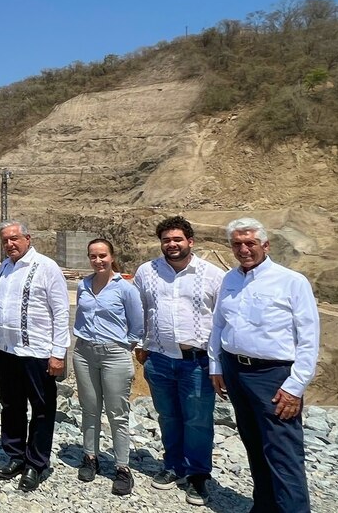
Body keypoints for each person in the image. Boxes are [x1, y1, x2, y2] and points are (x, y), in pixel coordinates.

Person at [209, 217, 319, 512]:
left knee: (283, 453)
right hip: (235, 370)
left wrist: (295, 387)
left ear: (265, 245)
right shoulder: (229, 280)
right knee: (255, 447)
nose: (243, 249)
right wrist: (216, 367)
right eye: (237, 244)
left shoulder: (291, 282)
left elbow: (308, 339)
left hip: (273, 376)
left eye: (250, 243)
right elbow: (219, 324)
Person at [133, 216, 225, 506]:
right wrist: (139, 343)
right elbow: (138, 310)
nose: (171, 245)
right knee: (168, 416)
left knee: (198, 420)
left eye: (177, 239)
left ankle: (198, 476)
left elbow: (223, 320)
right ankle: (173, 466)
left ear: (190, 241)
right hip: (159, 359)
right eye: (166, 240)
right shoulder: (146, 272)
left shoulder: (212, 274)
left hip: (197, 362)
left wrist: (218, 362)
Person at [0, 220, 70, 493]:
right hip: (8, 351)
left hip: (38, 353)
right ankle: (15, 455)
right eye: (5, 240)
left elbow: (60, 311)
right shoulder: (4, 268)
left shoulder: (46, 267)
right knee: (11, 406)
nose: (9, 244)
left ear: (27, 239)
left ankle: (36, 463)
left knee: (42, 410)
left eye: (14, 239)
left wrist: (58, 353)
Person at [72, 238, 144, 496]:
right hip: (83, 352)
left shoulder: (125, 289)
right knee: (89, 408)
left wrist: (124, 348)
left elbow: (137, 325)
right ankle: (90, 457)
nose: (98, 260)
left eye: (102, 255)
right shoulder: (83, 285)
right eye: (93, 256)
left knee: (117, 413)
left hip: (114, 353)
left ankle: (122, 467)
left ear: (112, 257)